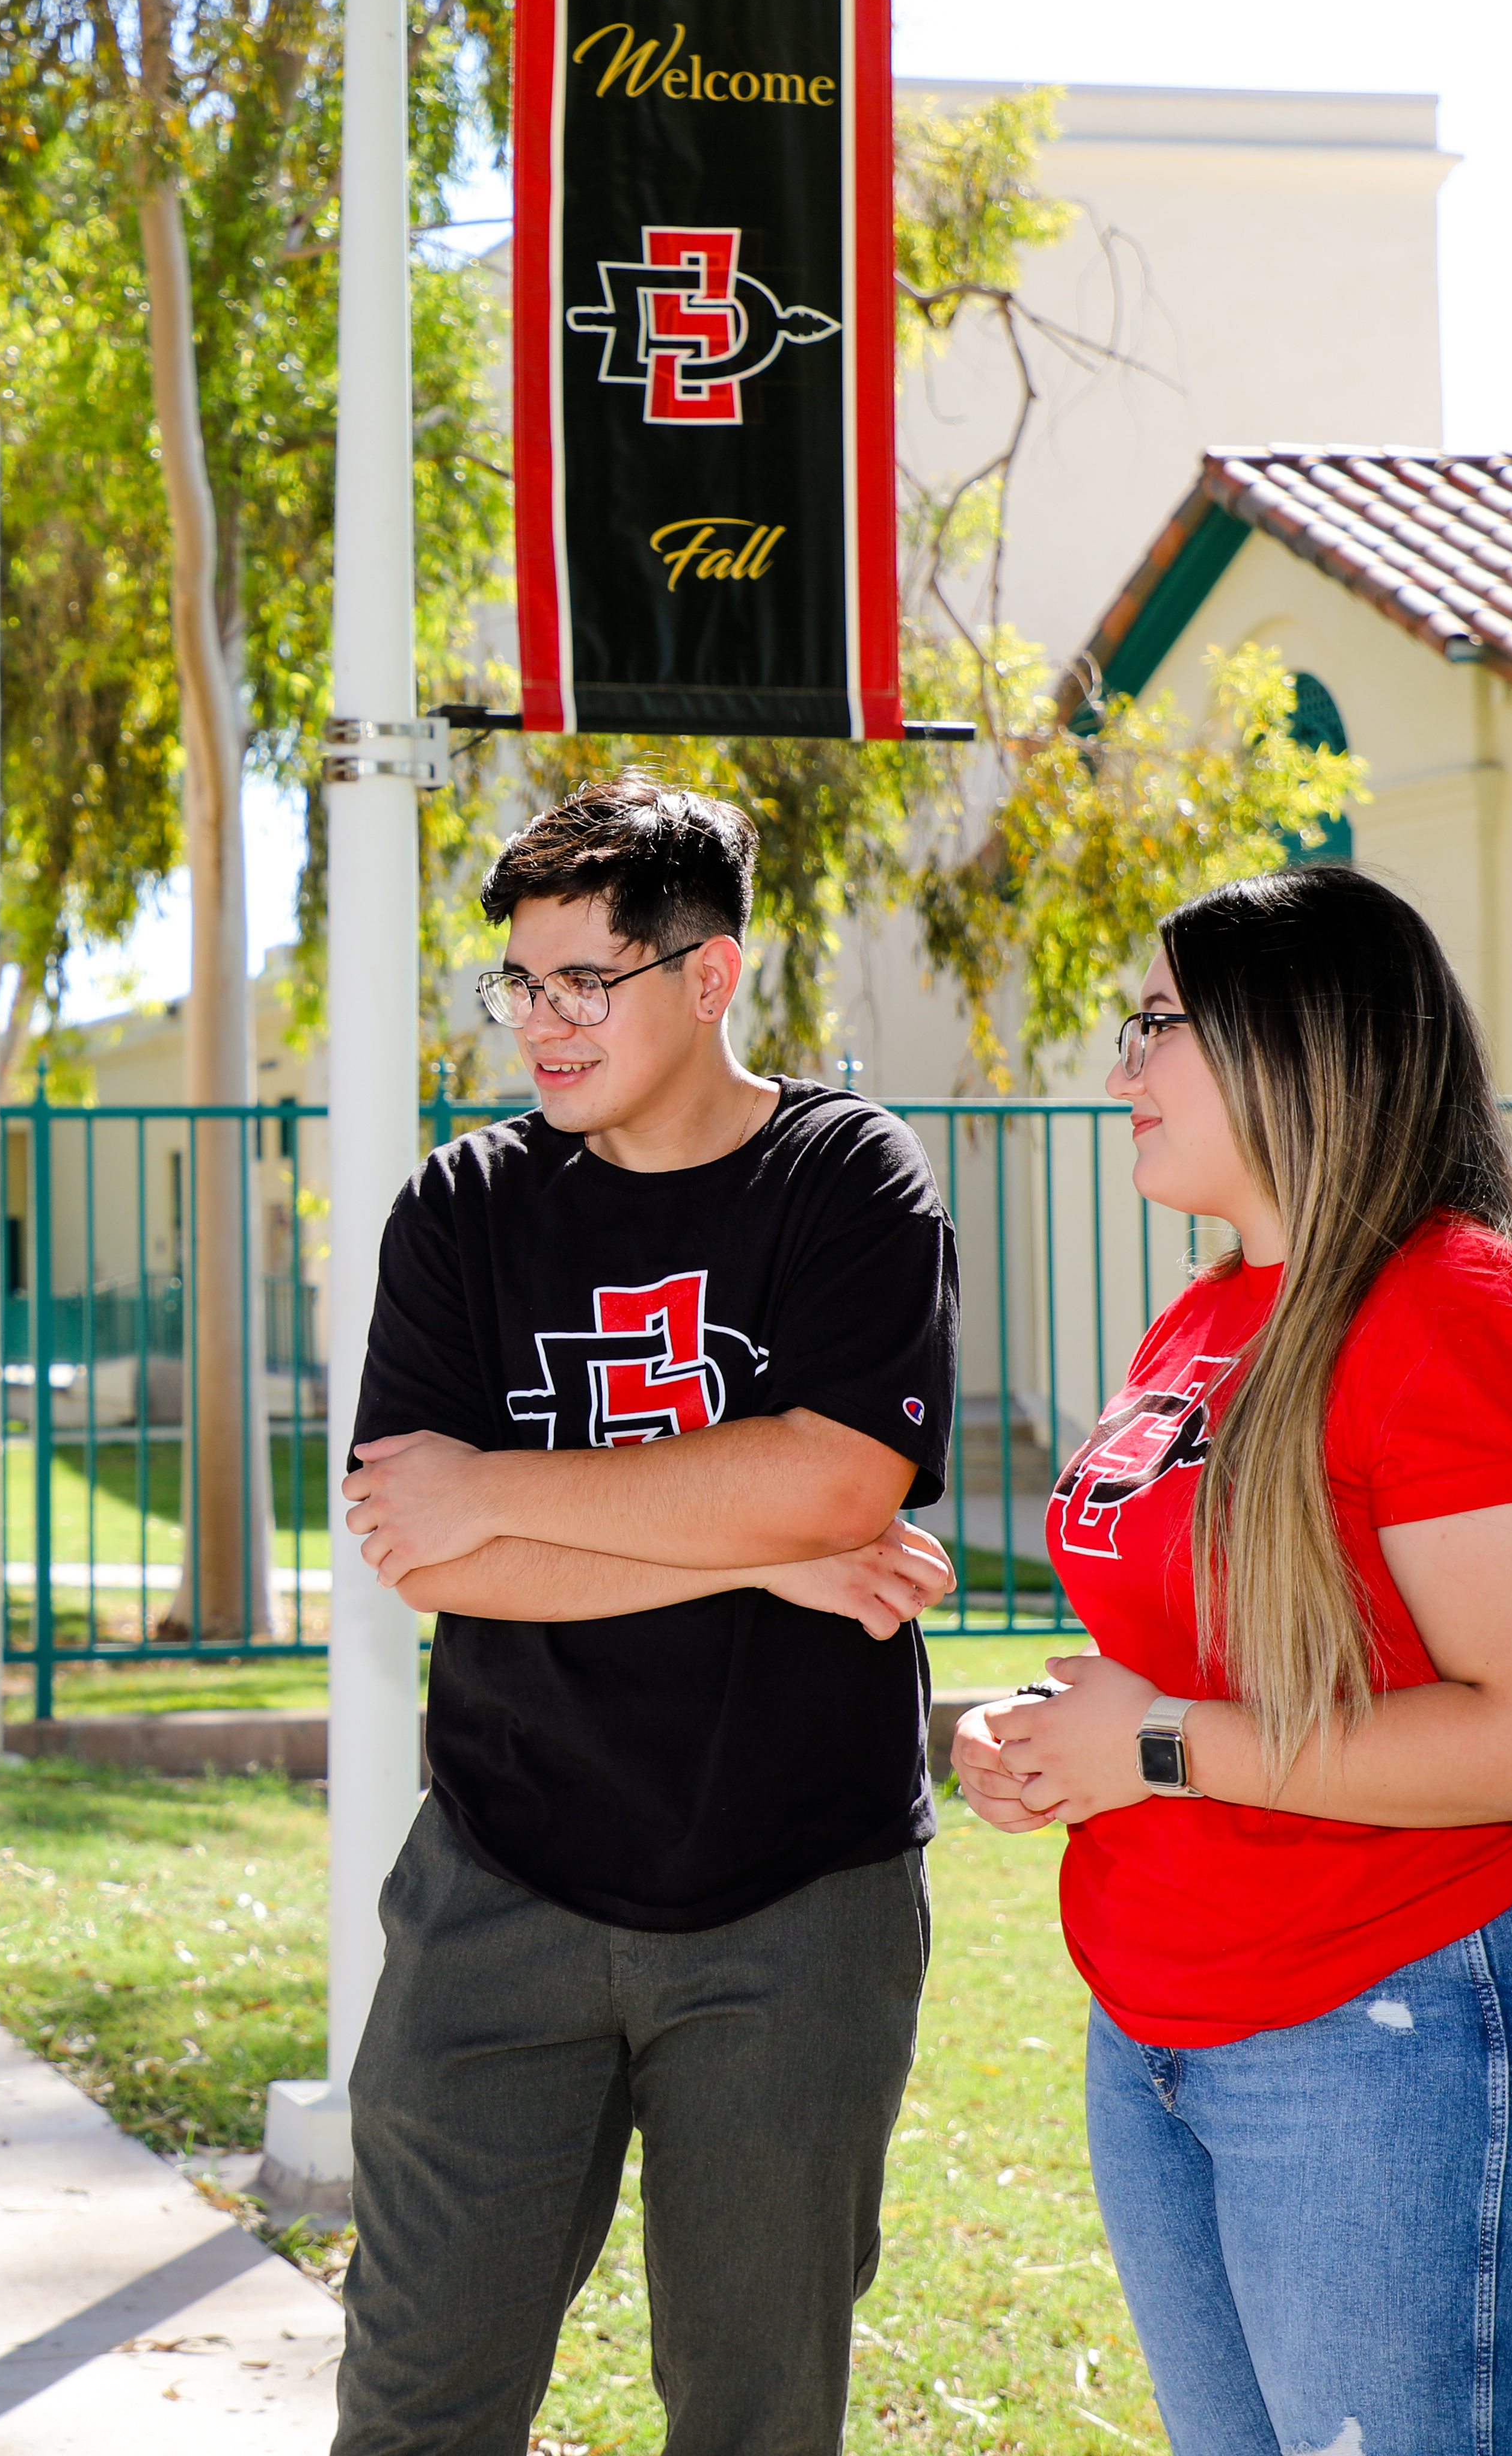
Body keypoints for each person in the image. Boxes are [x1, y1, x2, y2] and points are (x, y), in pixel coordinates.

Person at [950, 865, 1512, 2456]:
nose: (1119, 1069)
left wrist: (1155, 1748)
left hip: (1412, 2012)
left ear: (1301, 1046)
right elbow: (1197, 1649)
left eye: (1156, 1026)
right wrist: (1059, 1728)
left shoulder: (1465, 1314)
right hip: (1171, 2016)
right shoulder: (1212, 1315)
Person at [336, 775, 960, 2456]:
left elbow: (841, 1479)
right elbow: (427, 1547)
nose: (540, 1025)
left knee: (757, 2413)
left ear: (709, 976)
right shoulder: (464, 1210)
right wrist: (750, 1549)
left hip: (796, 1903)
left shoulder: (847, 1176)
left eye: (583, 983)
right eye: (519, 984)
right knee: (413, 2399)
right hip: (499, 1884)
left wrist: (512, 1486)